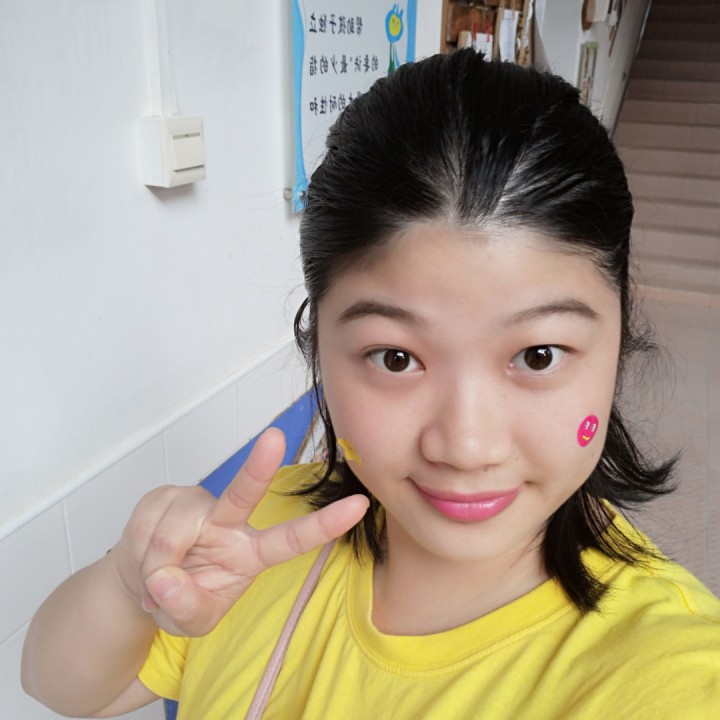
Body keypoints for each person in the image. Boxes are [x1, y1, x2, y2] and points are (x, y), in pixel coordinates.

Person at [22, 50, 720, 719]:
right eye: (395, 358)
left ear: (620, 340)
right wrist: (130, 580)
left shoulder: (671, 671)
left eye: (538, 356)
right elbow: (71, 691)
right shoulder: (263, 530)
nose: (466, 446)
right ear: (318, 345)